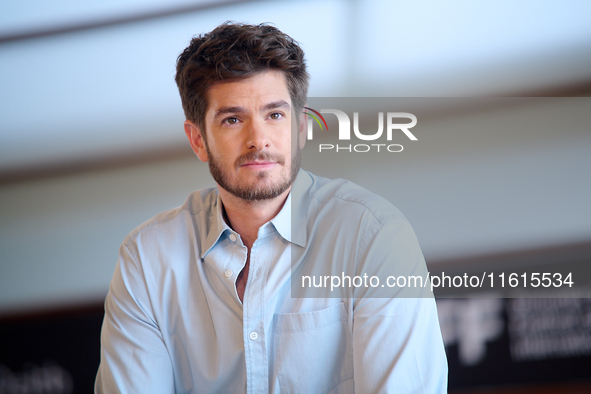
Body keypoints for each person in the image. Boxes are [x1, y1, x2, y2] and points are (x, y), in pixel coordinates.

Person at [95, 22, 447, 393]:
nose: (257, 139)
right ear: (198, 140)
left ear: (302, 128)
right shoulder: (147, 261)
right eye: (233, 119)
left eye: (275, 115)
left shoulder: (374, 236)